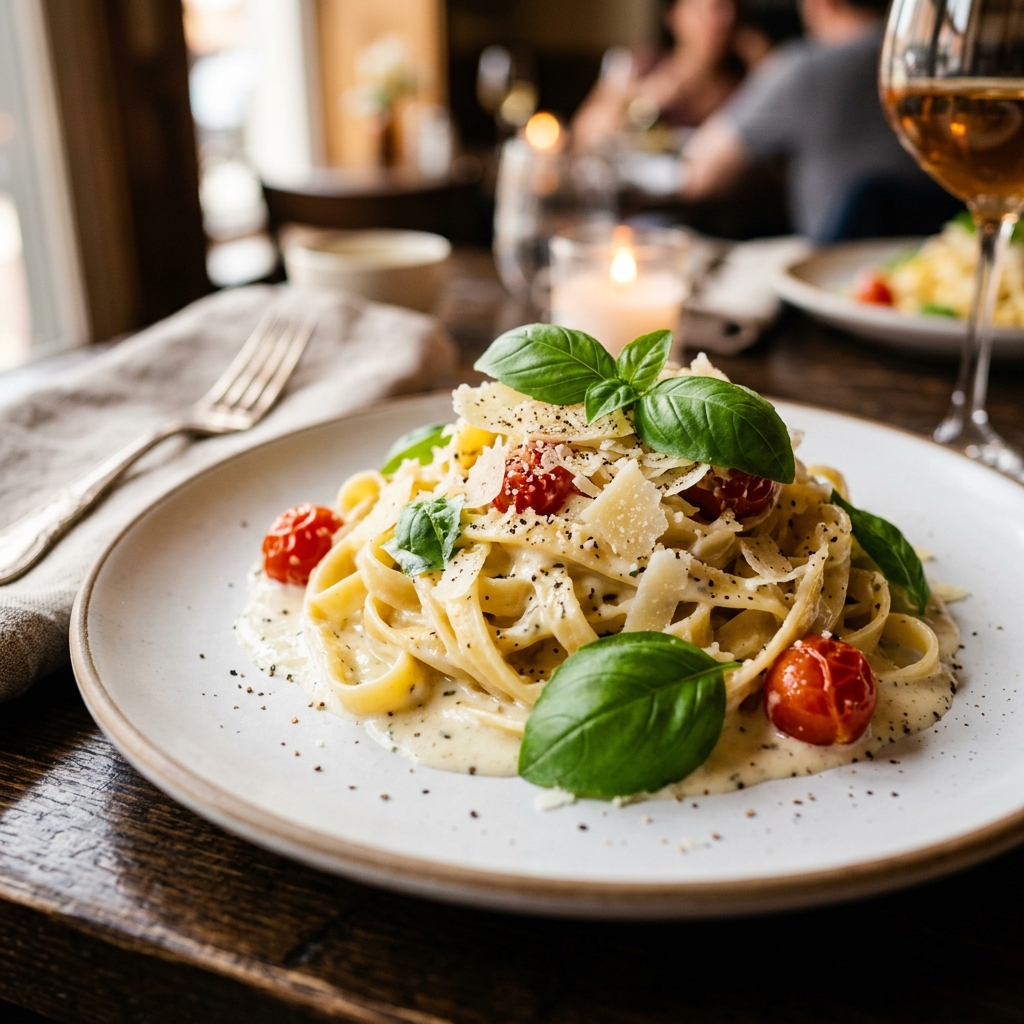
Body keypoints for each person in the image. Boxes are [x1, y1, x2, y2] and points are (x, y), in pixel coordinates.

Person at [679, 0, 962, 241]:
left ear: (821, 3)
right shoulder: (942, 67)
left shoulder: (804, 68)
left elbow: (702, 175)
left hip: (831, 279)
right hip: (938, 268)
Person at [572, 0, 754, 151]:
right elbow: (585, 134)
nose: (720, 21)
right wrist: (646, 100)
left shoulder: (748, 77)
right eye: (704, 10)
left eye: (727, 9)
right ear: (673, 16)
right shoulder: (639, 66)